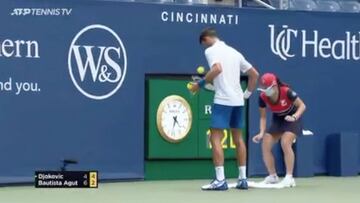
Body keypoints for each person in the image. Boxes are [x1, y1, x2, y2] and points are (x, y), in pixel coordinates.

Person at [189, 27, 259, 191]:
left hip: (223, 100)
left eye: (204, 45)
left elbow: (217, 69)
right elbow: (254, 74)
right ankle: (243, 179)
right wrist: (246, 94)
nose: (205, 49)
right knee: (238, 139)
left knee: (215, 137)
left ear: (206, 39)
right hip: (238, 101)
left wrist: (199, 84)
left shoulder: (211, 51)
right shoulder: (235, 52)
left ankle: (220, 180)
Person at [252, 73, 306, 188]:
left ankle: (289, 178)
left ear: (275, 85)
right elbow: (262, 117)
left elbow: (302, 106)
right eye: (264, 88)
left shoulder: (287, 92)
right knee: (265, 143)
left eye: (268, 88)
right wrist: (261, 132)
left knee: (285, 142)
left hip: (292, 118)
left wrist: (294, 117)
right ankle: (273, 177)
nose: (266, 91)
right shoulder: (262, 97)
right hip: (278, 119)